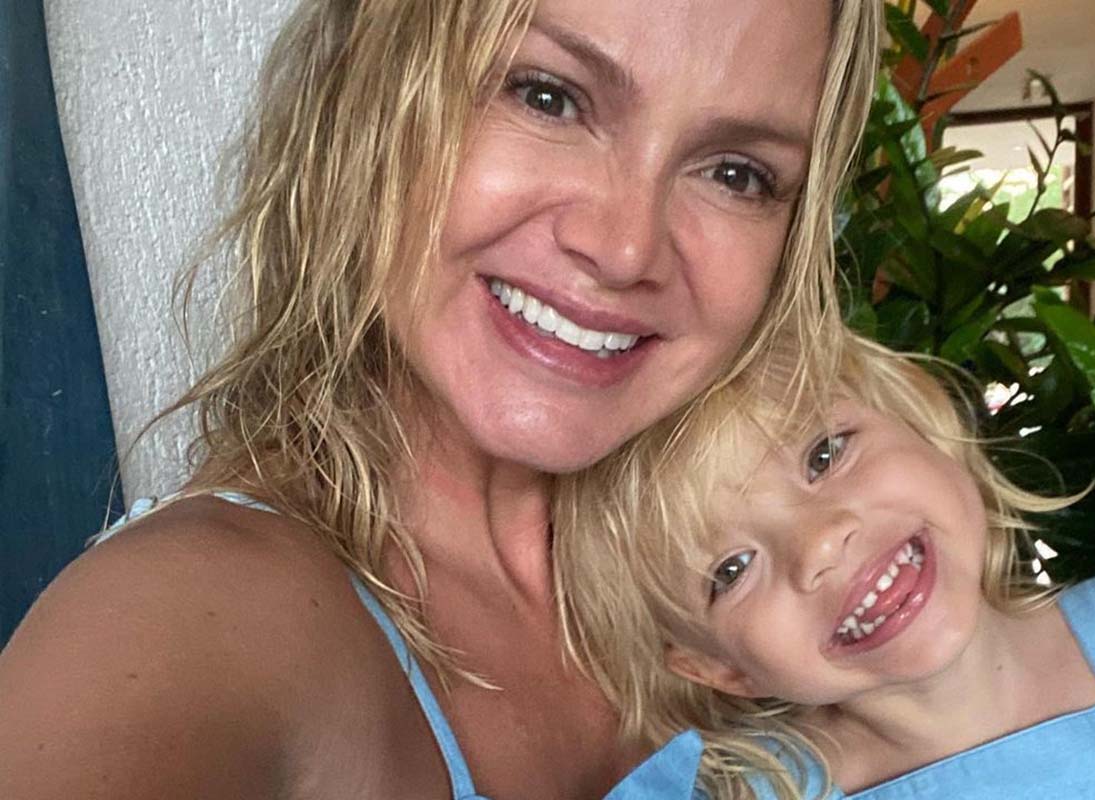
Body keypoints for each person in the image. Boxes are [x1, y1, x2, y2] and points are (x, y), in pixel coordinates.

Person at [0, 0, 882, 797]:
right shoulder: (191, 616)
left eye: (736, 174)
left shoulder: (762, 571)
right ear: (365, 94)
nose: (624, 249)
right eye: (547, 97)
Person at [555, 333, 1095, 799]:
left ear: (921, 422)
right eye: (731, 570)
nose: (821, 543)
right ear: (719, 667)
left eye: (825, 454)